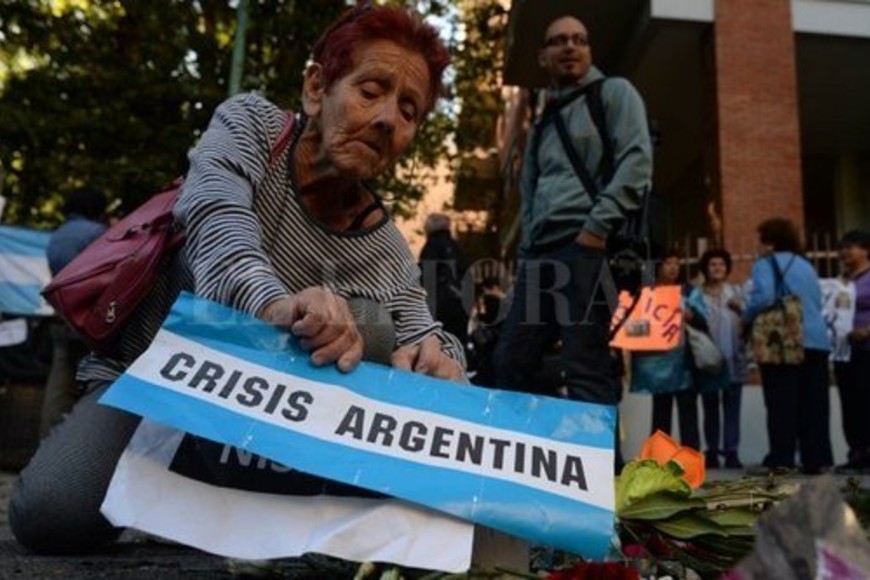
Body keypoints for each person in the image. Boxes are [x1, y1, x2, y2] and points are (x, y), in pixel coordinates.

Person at [9, 4, 464, 555]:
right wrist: (278, 305)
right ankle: (198, 494)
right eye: (371, 90)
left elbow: (424, 331)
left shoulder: (386, 243)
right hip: (155, 382)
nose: (389, 118)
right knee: (49, 513)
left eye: (409, 109)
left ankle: (218, 498)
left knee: (378, 325)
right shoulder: (250, 126)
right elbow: (217, 228)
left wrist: (443, 361)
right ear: (317, 88)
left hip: (269, 428)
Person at [492, 14, 653, 405]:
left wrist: (595, 230)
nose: (570, 47)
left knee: (586, 365)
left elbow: (636, 164)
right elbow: (531, 192)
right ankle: (526, 459)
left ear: (589, 50)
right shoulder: (543, 120)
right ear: (543, 56)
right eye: (559, 41)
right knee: (509, 362)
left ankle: (605, 468)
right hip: (540, 254)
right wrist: (527, 248)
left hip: (586, 248)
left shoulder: (614, 93)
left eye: (579, 40)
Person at [743, 217, 832, 474]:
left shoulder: (765, 263)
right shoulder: (806, 264)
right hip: (816, 339)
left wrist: (746, 318)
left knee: (781, 401)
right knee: (814, 402)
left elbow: (764, 296)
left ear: (769, 242)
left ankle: (781, 457)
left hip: (783, 341)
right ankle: (815, 458)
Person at [40, 189, 109, 436]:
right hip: (87, 320)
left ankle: (47, 442)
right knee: (90, 386)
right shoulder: (96, 234)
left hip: (61, 316)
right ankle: (78, 445)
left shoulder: (58, 234)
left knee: (58, 386)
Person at [690, 249, 747, 469]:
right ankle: (712, 451)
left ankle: (731, 451)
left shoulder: (736, 292)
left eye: (721, 265)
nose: (717, 268)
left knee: (732, 407)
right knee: (710, 406)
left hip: (733, 357)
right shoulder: (697, 295)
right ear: (706, 268)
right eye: (713, 264)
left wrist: (740, 309)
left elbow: (746, 318)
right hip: (708, 360)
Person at [644, 251, 700, 450]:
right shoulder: (648, 292)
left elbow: (704, 320)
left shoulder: (689, 291)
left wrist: (691, 316)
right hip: (659, 361)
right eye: (668, 262)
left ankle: (691, 456)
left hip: (684, 359)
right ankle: (659, 457)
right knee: (661, 411)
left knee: (688, 412)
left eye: (677, 263)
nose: (673, 267)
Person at [833, 229, 870, 474]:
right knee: (850, 402)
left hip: (867, 347)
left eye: (851, 247)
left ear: (866, 250)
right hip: (845, 351)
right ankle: (856, 451)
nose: (845, 252)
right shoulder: (841, 280)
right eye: (843, 248)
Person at [419, 212, 469, 346]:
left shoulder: (431, 247)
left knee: (440, 342)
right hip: (460, 302)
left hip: (439, 303)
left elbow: (426, 275)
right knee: (458, 341)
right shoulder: (456, 247)